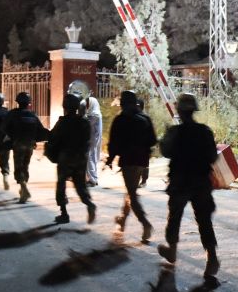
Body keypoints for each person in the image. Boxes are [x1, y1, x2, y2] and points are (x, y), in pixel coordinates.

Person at [157, 93, 220, 280]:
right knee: (204, 220)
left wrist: (165, 137)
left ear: (179, 111)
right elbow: (213, 157)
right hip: (200, 182)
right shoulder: (205, 131)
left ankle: (172, 250)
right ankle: (212, 258)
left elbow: (166, 152)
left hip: (180, 181)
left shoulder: (175, 132)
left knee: (174, 217)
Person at [105, 90, 157, 244]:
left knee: (132, 195)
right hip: (142, 162)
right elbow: (153, 140)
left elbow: (114, 144)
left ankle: (146, 224)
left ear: (122, 103)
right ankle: (122, 220)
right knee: (130, 191)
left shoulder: (120, 120)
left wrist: (110, 159)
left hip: (128, 162)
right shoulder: (145, 118)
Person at [46, 93, 97, 225]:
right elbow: (88, 141)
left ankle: (64, 213)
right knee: (80, 185)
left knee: (61, 184)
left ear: (65, 107)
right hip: (81, 159)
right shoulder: (84, 122)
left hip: (66, 158)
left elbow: (53, 137)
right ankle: (89, 203)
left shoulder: (63, 122)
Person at [2, 91, 48, 204]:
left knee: (18, 166)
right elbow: (40, 130)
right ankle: (23, 187)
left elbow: (3, 127)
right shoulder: (33, 115)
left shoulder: (12, 114)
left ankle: (23, 187)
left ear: (17, 102)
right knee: (25, 166)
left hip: (18, 144)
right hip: (30, 145)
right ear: (29, 103)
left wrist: (12, 136)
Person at [84, 87, 103, 187]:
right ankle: (93, 178)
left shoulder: (93, 115)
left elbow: (86, 124)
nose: (86, 105)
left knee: (90, 157)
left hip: (92, 140)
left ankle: (92, 180)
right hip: (94, 139)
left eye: (88, 103)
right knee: (92, 157)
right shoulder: (96, 113)